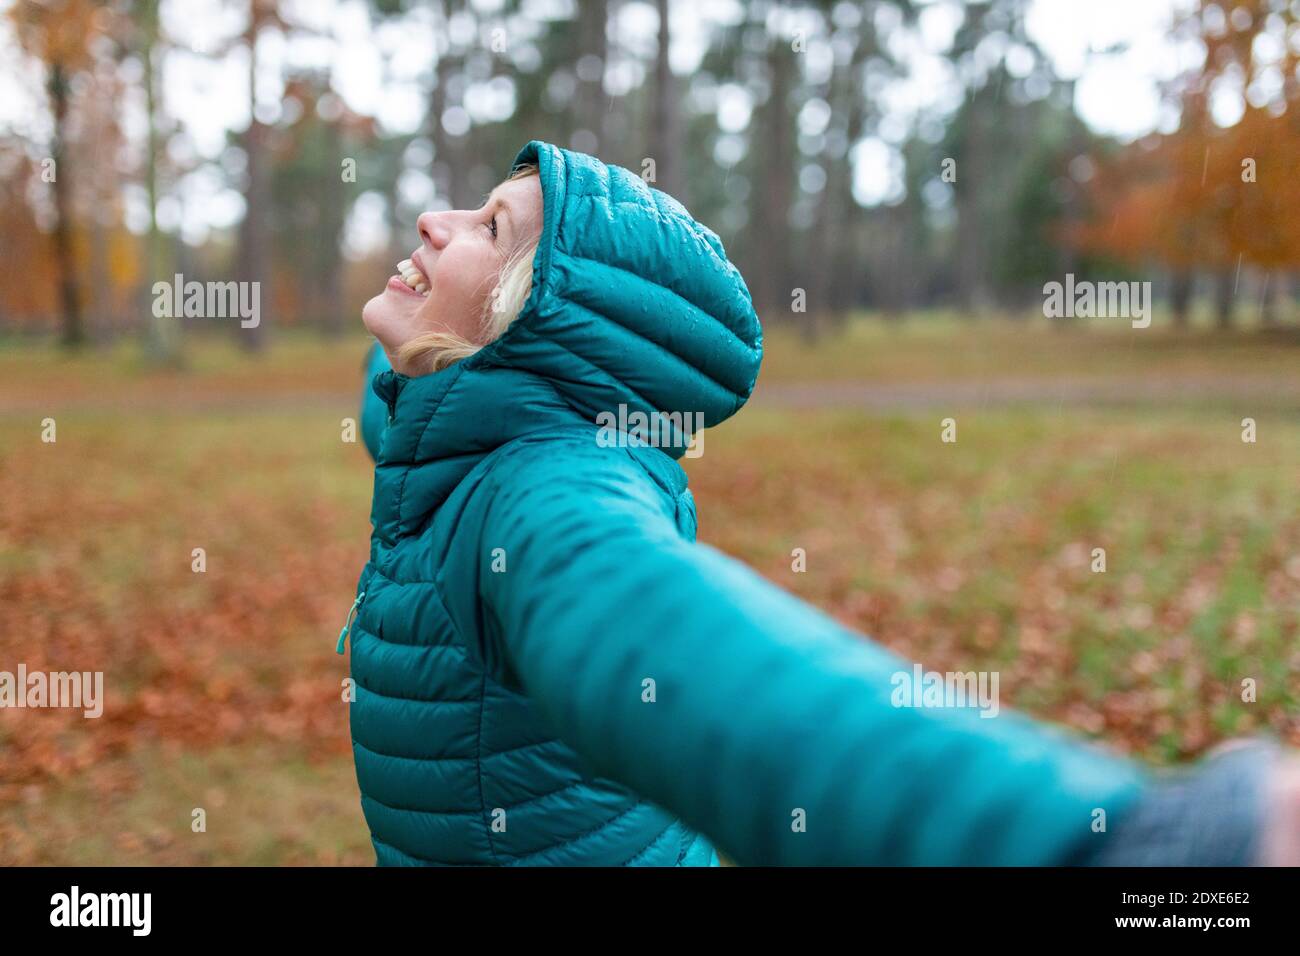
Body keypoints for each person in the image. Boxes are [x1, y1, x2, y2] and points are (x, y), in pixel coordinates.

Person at [341, 139, 1294, 866]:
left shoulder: (538, 493)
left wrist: (1134, 850)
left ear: (533, 325)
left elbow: (692, 659)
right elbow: (415, 418)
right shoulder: (455, 433)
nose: (436, 219)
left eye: (492, 229)